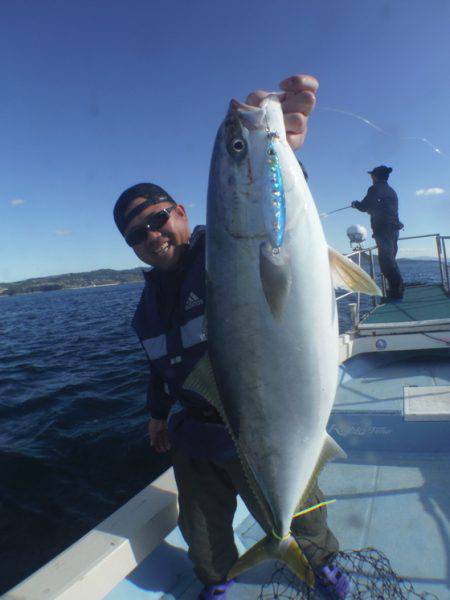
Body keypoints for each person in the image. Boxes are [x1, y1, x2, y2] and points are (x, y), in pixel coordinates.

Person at [113, 74, 349, 600]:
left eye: (156, 219)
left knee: (304, 518)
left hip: (264, 421)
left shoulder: (217, 258)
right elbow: (161, 368)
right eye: (136, 234)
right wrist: (158, 414)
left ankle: (324, 569)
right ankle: (218, 582)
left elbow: (276, 238)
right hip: (193, 436)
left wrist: (282, 156)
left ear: (182, 212)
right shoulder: (145, 311)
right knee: (203, 536)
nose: (151, 236)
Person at [351, 166, 404, 300]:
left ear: (375, 177)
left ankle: (396, 293)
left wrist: (355, 204)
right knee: (391, 260)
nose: (371, 178)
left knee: (386, 262)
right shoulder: (391, 191)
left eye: (372, 176)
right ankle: (396, 289)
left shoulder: (375, 189)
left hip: (383, 230)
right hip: (394, 230)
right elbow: (380, 207)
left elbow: (364, 206)